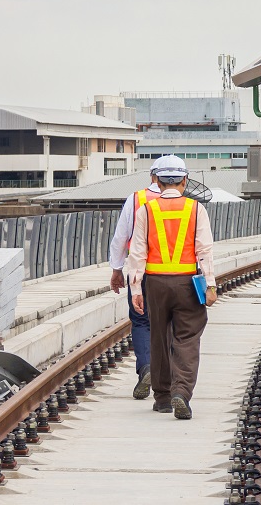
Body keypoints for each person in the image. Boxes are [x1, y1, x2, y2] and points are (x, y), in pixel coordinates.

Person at [128, 156, 217, 420]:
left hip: (154, 283)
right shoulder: (195, 209)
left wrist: (136, 290)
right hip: (188, 282)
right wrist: (210, 284)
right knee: (187, 339)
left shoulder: (145, 210)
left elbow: (137, 253)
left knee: (158, 337)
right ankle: (182, 392)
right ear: (184, 181)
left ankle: (163, 397)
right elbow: (205, 249)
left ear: (155, 180)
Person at [107, 157, 169, 400]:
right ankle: (168, 378)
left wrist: (116, 269)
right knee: (169, 324)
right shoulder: (186, 203)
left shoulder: (136, 199)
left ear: (153, 177)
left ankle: (146, 368)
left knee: (142, 322)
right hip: (174, 273)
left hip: (139, 272)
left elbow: (121, 237)